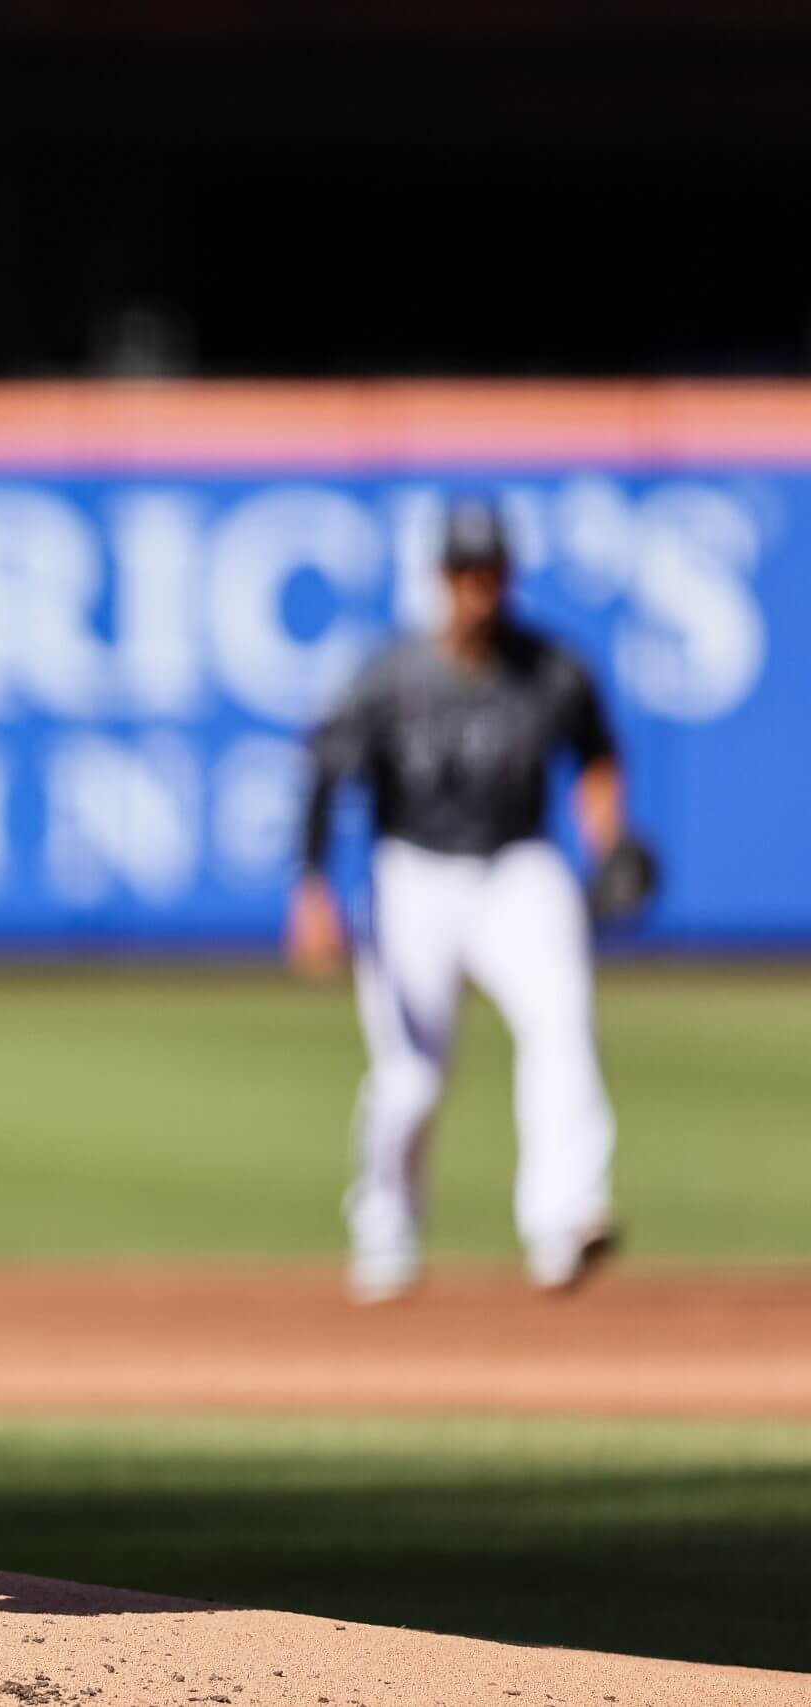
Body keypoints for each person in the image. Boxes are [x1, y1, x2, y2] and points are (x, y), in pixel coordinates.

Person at [287, 497, 626, 1304]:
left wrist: (607, 840)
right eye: (465, 573)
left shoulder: (551, 668)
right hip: (415, 872)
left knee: (560, 1017)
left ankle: (564, 1218)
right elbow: (325, 774)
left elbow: (598, 759)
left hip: (518, 865)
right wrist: (311, 890)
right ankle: (386, 1227)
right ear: (441, 578)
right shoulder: (393, 674)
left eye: (492, 573)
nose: (480, 588)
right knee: (410, 1076)